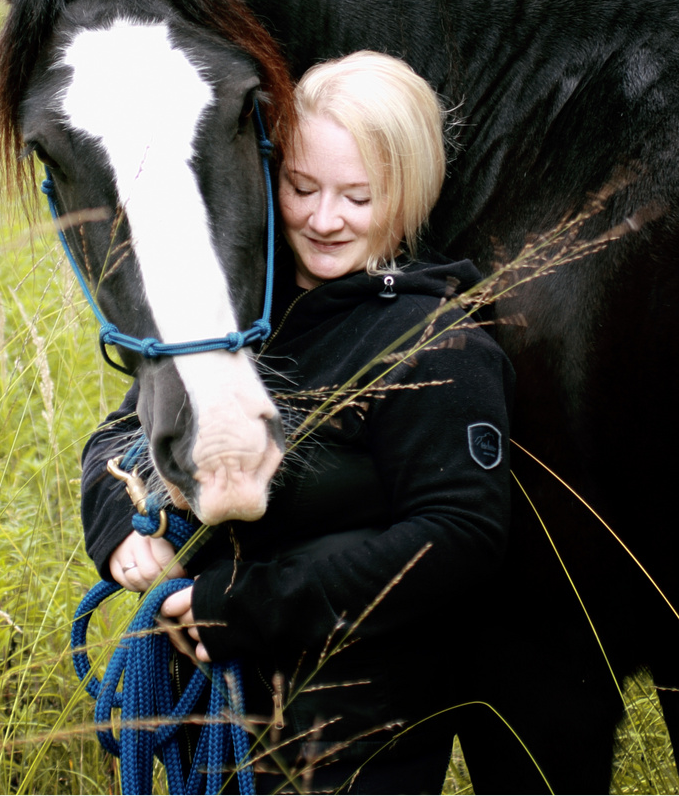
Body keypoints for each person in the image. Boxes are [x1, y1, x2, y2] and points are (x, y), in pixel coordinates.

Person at [80, 51, 514, 794]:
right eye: (302, 187)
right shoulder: (232, 321)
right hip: (209, 726)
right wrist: (118, 521)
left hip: (353, 743)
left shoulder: (439, 345)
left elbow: (459, 536)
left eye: (357, 197)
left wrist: (239, 608)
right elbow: (121, 436)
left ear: (406, 197)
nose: (322, 218)